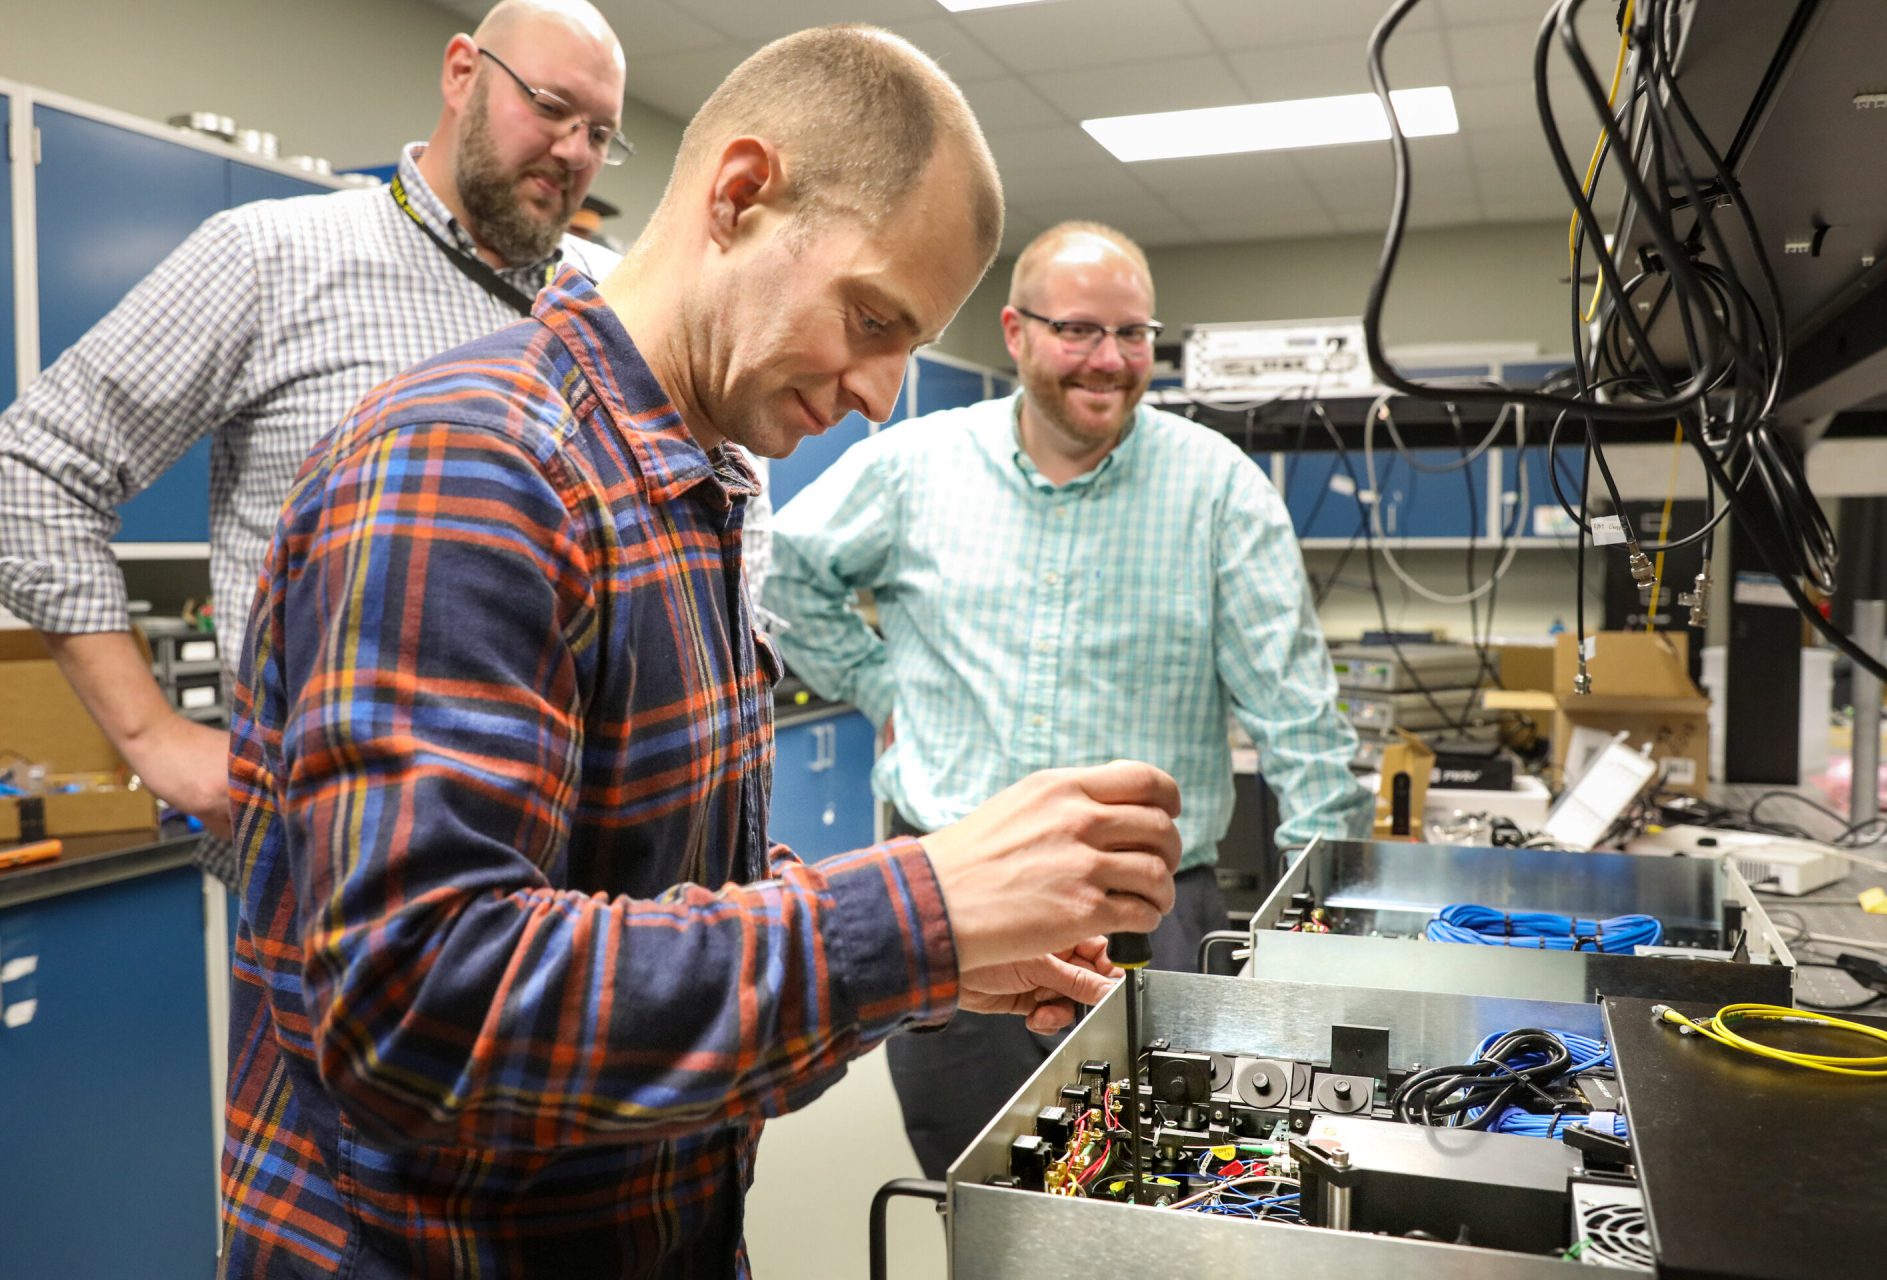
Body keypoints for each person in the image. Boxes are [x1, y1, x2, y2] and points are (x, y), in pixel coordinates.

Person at [221, 27, 1183, 1279]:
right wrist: (915, 908)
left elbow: (644, 882)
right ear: (739, 196)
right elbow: (423, 1012)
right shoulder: (476, 462)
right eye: (873, 317)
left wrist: (937, 955)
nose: (886, 392)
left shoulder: (687, 482)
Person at [764, 220, 1373, 1177]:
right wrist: (881, 682)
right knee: (973, 1186)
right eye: (1080, 330)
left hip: (1148, 913)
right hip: (950, 901)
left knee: (1166, 1185)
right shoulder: (914, 466)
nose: (1111, 360)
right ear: (1015, 332)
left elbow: (1298, 716)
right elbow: (783, 576)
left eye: (1135, 336)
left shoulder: (1216, 487)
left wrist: (1325, 929)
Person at [0, 0, 627, 883]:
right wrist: (156, 738)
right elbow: (32, 472)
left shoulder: (618, 305)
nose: (574, 151)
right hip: (327, 875)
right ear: (461, 72)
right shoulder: (271, 259)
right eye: (551, 106)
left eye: (600, 133)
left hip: (577, 877)